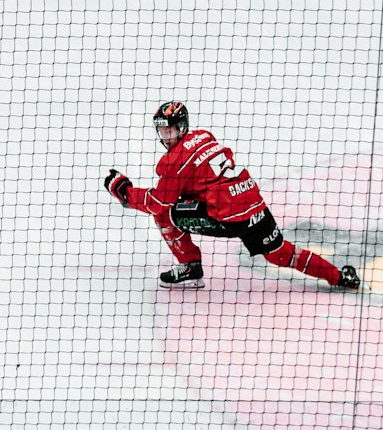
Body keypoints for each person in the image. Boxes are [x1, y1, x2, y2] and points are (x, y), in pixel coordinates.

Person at [104, 101, 361, 290]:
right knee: (281, 253)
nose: (165, 138)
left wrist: (124, 191)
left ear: (182, 128)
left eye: (169, 132)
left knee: (164, 215)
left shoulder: (173, 162)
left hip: (229, 217)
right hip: (252, 205)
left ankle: (191, 266)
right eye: (162, 133)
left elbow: (159, 202)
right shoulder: (204, 135)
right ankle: (339, 276)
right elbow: (204, 176)